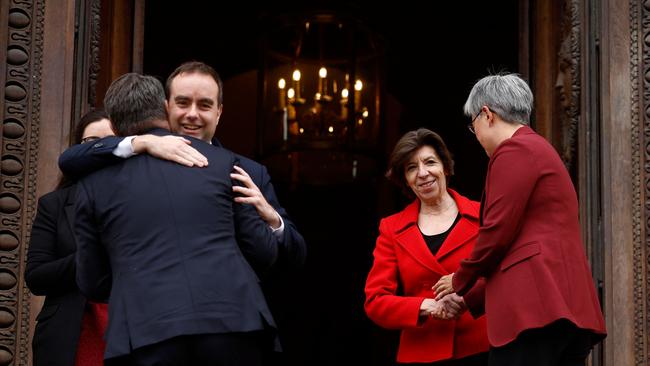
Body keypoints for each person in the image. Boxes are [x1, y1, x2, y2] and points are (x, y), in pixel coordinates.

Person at [74, 73, 279, 365]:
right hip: (234, 323)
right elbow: (263, 252)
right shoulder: (222, 163)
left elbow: (91, 280)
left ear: (115, 127)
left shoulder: (93, 184)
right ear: (164, 109)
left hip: (146, 329)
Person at [59, 61, 305, 271]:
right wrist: (139, 143)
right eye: (183, 103)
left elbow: (295, 255)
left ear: (219, 112)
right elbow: (71, 160)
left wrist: (272, 219)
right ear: (167, 106)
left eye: (205, 105)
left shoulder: (248, 172)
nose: (192, 114)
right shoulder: (133, 159)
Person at [433, 73, 606, 366]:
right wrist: (469, 298)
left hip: (534, 314)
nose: (474, 135)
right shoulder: (538, 148)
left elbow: (497, 232)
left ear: (486, 114)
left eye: (472, 124)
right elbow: (519, 248)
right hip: (560, 310)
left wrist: (460, 279)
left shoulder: (513, 150)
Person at [364, 128, 489, 365]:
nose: (422, 173)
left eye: (430, 162)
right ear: (405, 179)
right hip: (422, 352)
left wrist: (466, 298)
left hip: (481, 347)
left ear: (445, 166)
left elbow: (505, 274)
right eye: (411, 168)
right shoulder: (391, 229)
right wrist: (427, 306)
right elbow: (376, 301)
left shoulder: (483, 215)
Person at [26, 110, 113, 366]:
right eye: (90, 143)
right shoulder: (54, 204)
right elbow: (36, 276)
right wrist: (90, 254)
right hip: (71, 333)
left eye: (109, 142)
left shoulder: (143, 200)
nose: (99, 150)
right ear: (77, 151)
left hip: (129, 328)